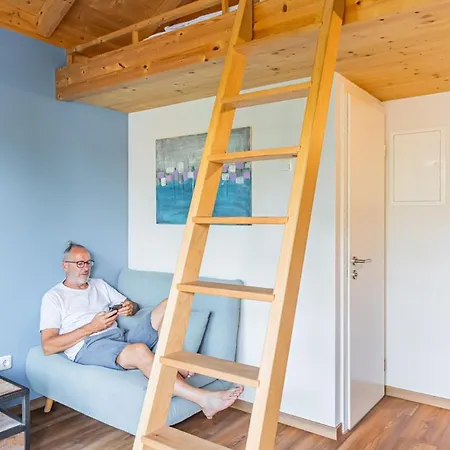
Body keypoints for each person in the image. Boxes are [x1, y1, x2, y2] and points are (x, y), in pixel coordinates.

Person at [39, 242, 243, 419]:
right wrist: (91, 327)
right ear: (65, 265)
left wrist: (130, 307)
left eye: (88, 263)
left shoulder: (99, 285)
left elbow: (132, 306)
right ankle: (204, 400)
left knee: (169, 303)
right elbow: (48, 346)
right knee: (138, 350)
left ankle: (171, 359)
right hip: (89, 346)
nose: (86, 268)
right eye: (80, 264)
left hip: (119, 337)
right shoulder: (54, 297)